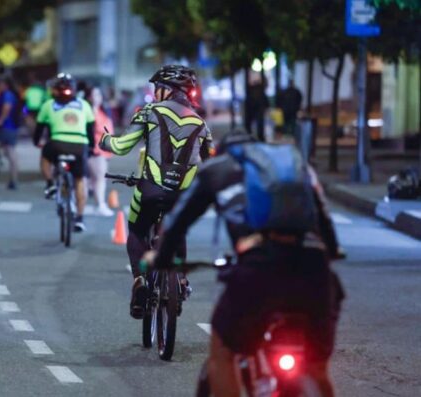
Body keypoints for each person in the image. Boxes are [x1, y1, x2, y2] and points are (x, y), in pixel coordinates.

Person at [147, 131, 344, 397]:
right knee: (317, 368)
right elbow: (325, 220)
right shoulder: (293, 167)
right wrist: (330, 251)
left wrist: (160, 258)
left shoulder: (216, 169)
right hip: (314, 268)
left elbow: (176, 222)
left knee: (223, 352)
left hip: (259, 269)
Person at [99, 65, 212, 319]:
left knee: (138, 230)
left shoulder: (150, 112)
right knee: (177, 228)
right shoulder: (201, 123)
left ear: (167, 90)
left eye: (157, 88)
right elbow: (211, 161)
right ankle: (181, 280)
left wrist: (104, 140)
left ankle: (139, 280)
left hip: (150, 189)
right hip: (182, 195)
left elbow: (120, 147)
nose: (154, 93)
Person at [34, 73, 95, 232]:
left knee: (45, 157)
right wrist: (91, 148)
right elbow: (91, 130)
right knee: (80, 180)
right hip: (80, 145)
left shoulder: (49, 105)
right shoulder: (84, 105)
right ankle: (80, 218)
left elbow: (39, 129)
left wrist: (36, 142)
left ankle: (50, 184)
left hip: (57, 144)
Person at [86, 86, 115, 217]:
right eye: (93, 95)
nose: (95, 97)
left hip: (104, 150)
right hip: (94, 150)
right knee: (98, 178)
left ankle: (98, 204)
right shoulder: (89, 111)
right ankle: (100, 205)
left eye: (98, 94)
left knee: (96, 179)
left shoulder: (104, 110)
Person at [0, 77, 21, 190]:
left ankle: (13, 179)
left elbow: (6, 108)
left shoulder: (7, 95)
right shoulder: (7, 94)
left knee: (10, 151)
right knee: (8, 150)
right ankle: (12, 178)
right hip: (9, 127)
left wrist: (0, 120)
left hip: (7, 127)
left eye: (0, 84)